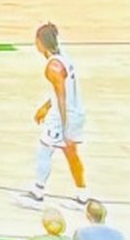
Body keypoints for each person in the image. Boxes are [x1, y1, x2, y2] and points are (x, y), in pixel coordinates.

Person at [25, 21, 88, 202]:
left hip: (64, 115)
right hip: (76, 111)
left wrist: (65, 126)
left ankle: (37, 192)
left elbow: (61, 98)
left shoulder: (53, 67)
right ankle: (82, 195)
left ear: (41, 42)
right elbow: (59, 93)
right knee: (71, 154)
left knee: (44, 150)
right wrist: (45, 107)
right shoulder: (64, 57)